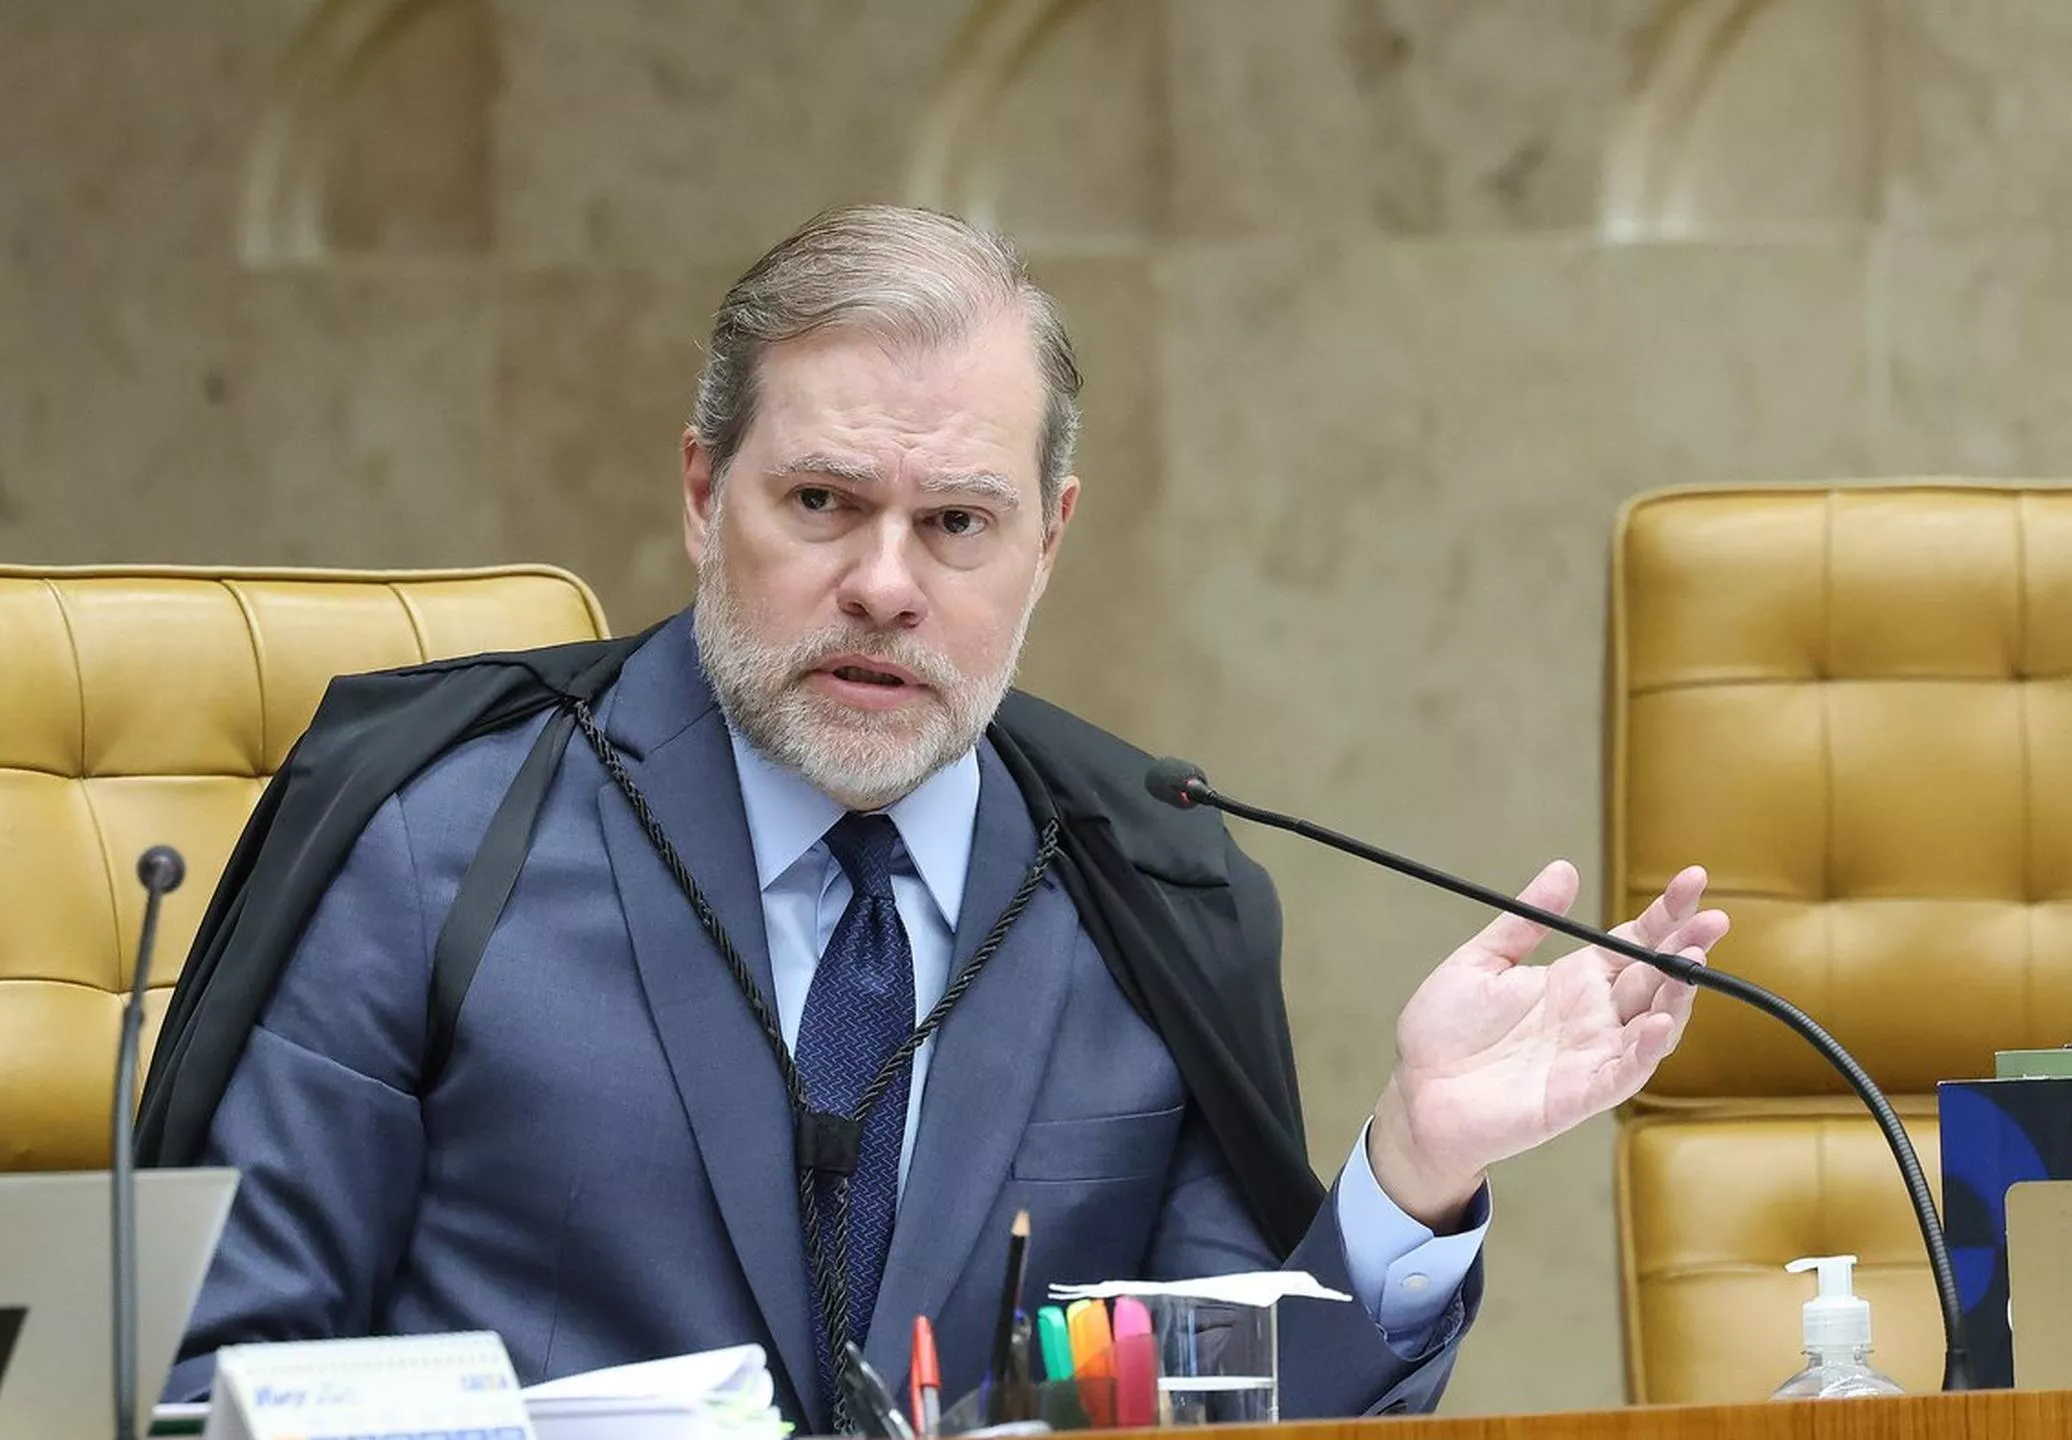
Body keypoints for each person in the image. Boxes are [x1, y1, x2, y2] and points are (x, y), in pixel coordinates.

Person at [143, 204, 1730, 1428]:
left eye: (958, 521)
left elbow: (1223, 1416)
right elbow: (213, 1382)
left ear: (1050, 539)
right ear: (701, 495)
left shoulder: (1151, 885)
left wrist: (1413, 1172)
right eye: (821, 502)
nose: (886, 585)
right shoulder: (435, 842)